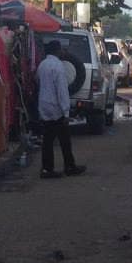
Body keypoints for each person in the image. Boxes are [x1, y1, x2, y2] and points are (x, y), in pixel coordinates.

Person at [35, 40, 85, 179]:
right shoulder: (58, 66)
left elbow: (37, 81)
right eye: (62, 50)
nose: (64, 52)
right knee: (64, 139)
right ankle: (67, 167)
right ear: (57, 50)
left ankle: (48, 168)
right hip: (56, 107)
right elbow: (62, 90)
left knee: (48, 140)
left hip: (44, 105)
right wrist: (66, 111)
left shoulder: (42, 65)